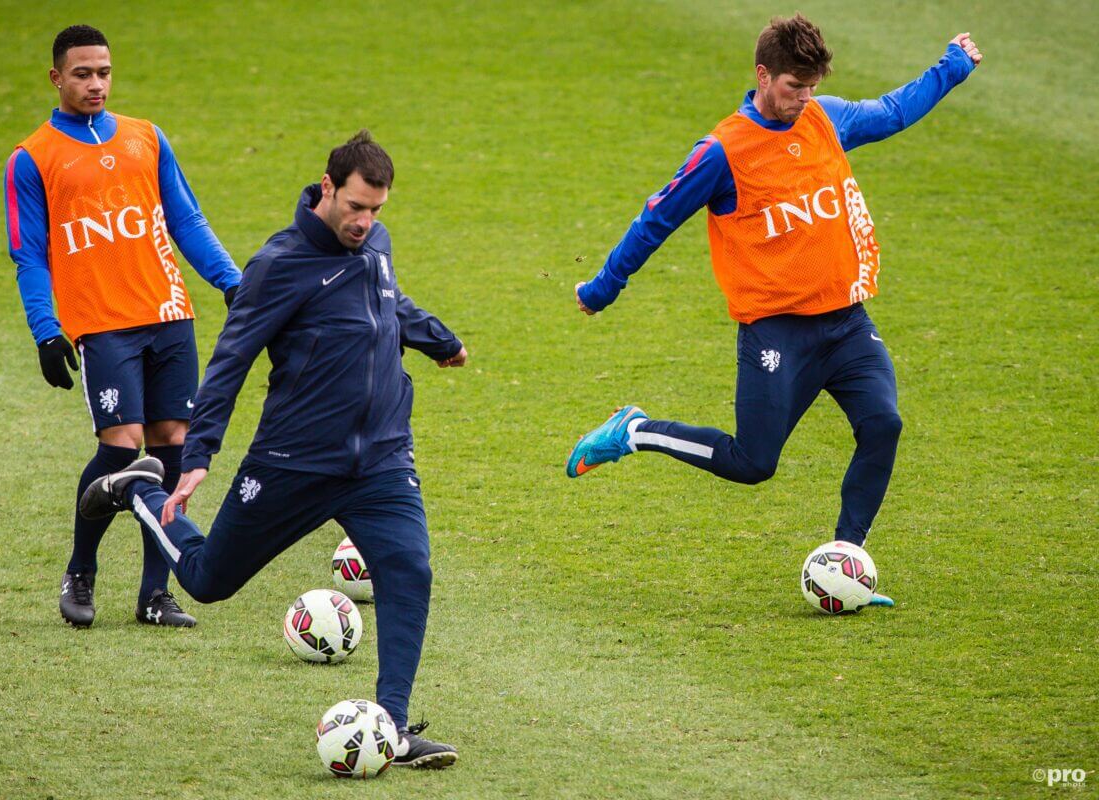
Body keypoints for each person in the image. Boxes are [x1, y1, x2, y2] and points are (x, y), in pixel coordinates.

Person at [78, 131, 467, 768]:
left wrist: (437, 339)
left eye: (377, 211)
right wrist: (197, 454)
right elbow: (230, 360)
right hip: (294, 463)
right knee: (208, 582)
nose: (365, 223)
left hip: (380, 461)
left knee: (409, 571)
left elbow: (388, 307)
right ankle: (137, 490)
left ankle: (391, 726)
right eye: (356, 207)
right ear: (327, 187)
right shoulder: (279, 265)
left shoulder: (375, 246)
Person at [567, 14, 982, 602]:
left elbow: (891, 112)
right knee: (753, 461)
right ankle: (636, 431)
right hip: (776, 334)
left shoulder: (822, 118)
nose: (802, 100)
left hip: (846, 324)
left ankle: (847, 559)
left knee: (883, 424)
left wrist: (952, 69)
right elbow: (656, 217)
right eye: (794, 87)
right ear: (763, 75)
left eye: (811, 87)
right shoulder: (722, 152)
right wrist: (606, 285)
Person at [4, 25, 242, 628]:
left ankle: (155, 596)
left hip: (168, 315)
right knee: (120, 449)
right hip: (103, 326)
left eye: (103, 72)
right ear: (57, 78)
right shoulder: (32, 158)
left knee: (169, 452)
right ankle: (81, 571)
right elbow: (30, 253)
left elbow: (186, 221)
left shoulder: (146, 138)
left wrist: (234, 282)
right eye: (82, 73)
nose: (95, 84)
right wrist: (46, 329)